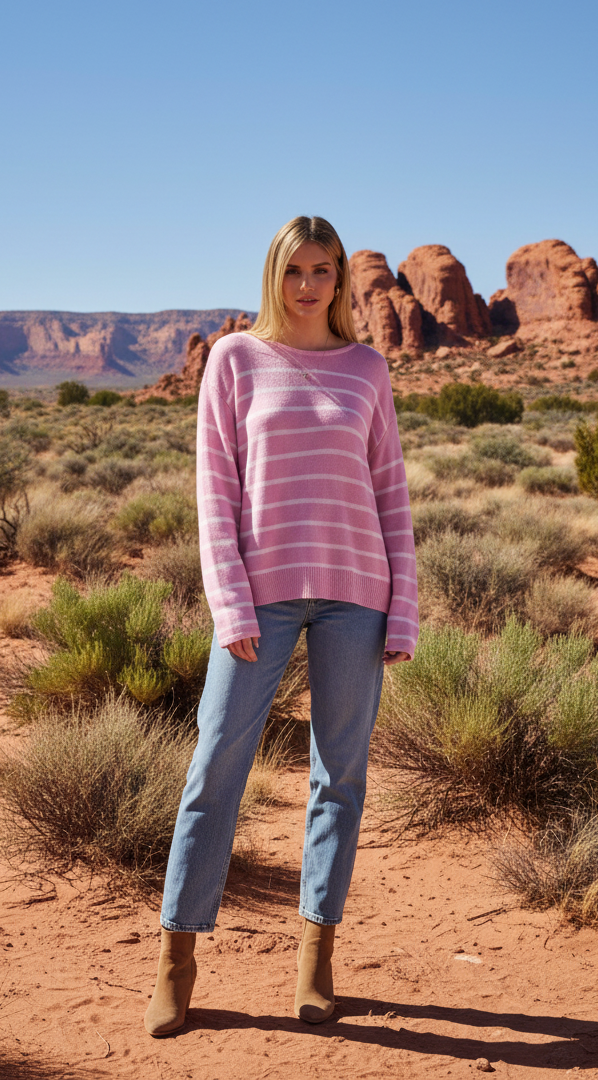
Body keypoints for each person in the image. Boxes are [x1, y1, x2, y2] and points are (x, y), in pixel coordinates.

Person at [144, 215, 419, 1036]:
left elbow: (392, 496)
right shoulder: (235, 359)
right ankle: (176, 958)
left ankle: (316, 956)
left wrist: (401, 608)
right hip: (258, 598)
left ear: (341, 279)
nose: (309, 284)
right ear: (275, 274)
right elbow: (215, 493)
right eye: (295, 269)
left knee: (340, 779)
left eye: (323, 270)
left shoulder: (368, 369)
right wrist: (229, 601)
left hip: (355, 596)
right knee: (213, 768)